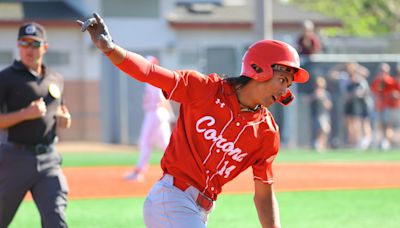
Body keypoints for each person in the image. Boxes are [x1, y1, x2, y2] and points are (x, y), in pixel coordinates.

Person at [78, 13, 309, 228]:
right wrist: (110, 49)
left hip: (199, 211)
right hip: (171, 199)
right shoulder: (204, 89)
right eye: (282, 79)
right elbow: (149, 72)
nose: (284, 90)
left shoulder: (267, 132)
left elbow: (264, 194)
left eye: (288, 84)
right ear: (258, 69)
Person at [0, 22, 71, 228]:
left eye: (34, 44)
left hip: (49, 159)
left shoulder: (55, 79)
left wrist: (66, 119)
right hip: (14, 158)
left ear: (44, 47)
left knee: (56, 218)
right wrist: (25, 114)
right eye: (24, 43)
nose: (29, 49)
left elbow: (62, 112)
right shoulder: (5, 78)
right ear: (18, 45)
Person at [124, 55, 174, 181]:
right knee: (166, 144)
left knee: (145, 142)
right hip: (160, 113)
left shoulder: (153, 80)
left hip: (154, 113)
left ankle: (138, 172)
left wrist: (165, 111)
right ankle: (179, 170)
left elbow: (162, 98)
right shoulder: (156, 79)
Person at [370, 63, 399, 150]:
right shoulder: (377, 81)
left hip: (390, 107)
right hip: (379, 107)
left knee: (388, 125)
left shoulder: (392, 81)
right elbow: (373, 92)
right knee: (381, 125)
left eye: (385, 71)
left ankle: (386, 142)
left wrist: (393, 95)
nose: (383, 72)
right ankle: (383, 141)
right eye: (381, 70)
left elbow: (397, 93)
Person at [310, 76, 332, 151]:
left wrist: (323, 98)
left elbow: (329, 105)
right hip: (317, 114)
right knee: (322, 129)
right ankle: (318, 143)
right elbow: (308, 101)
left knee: (326, 130)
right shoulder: (314, 93)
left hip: (324, 114)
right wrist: (315, 96)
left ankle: (322, 144)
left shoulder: (326, 94)